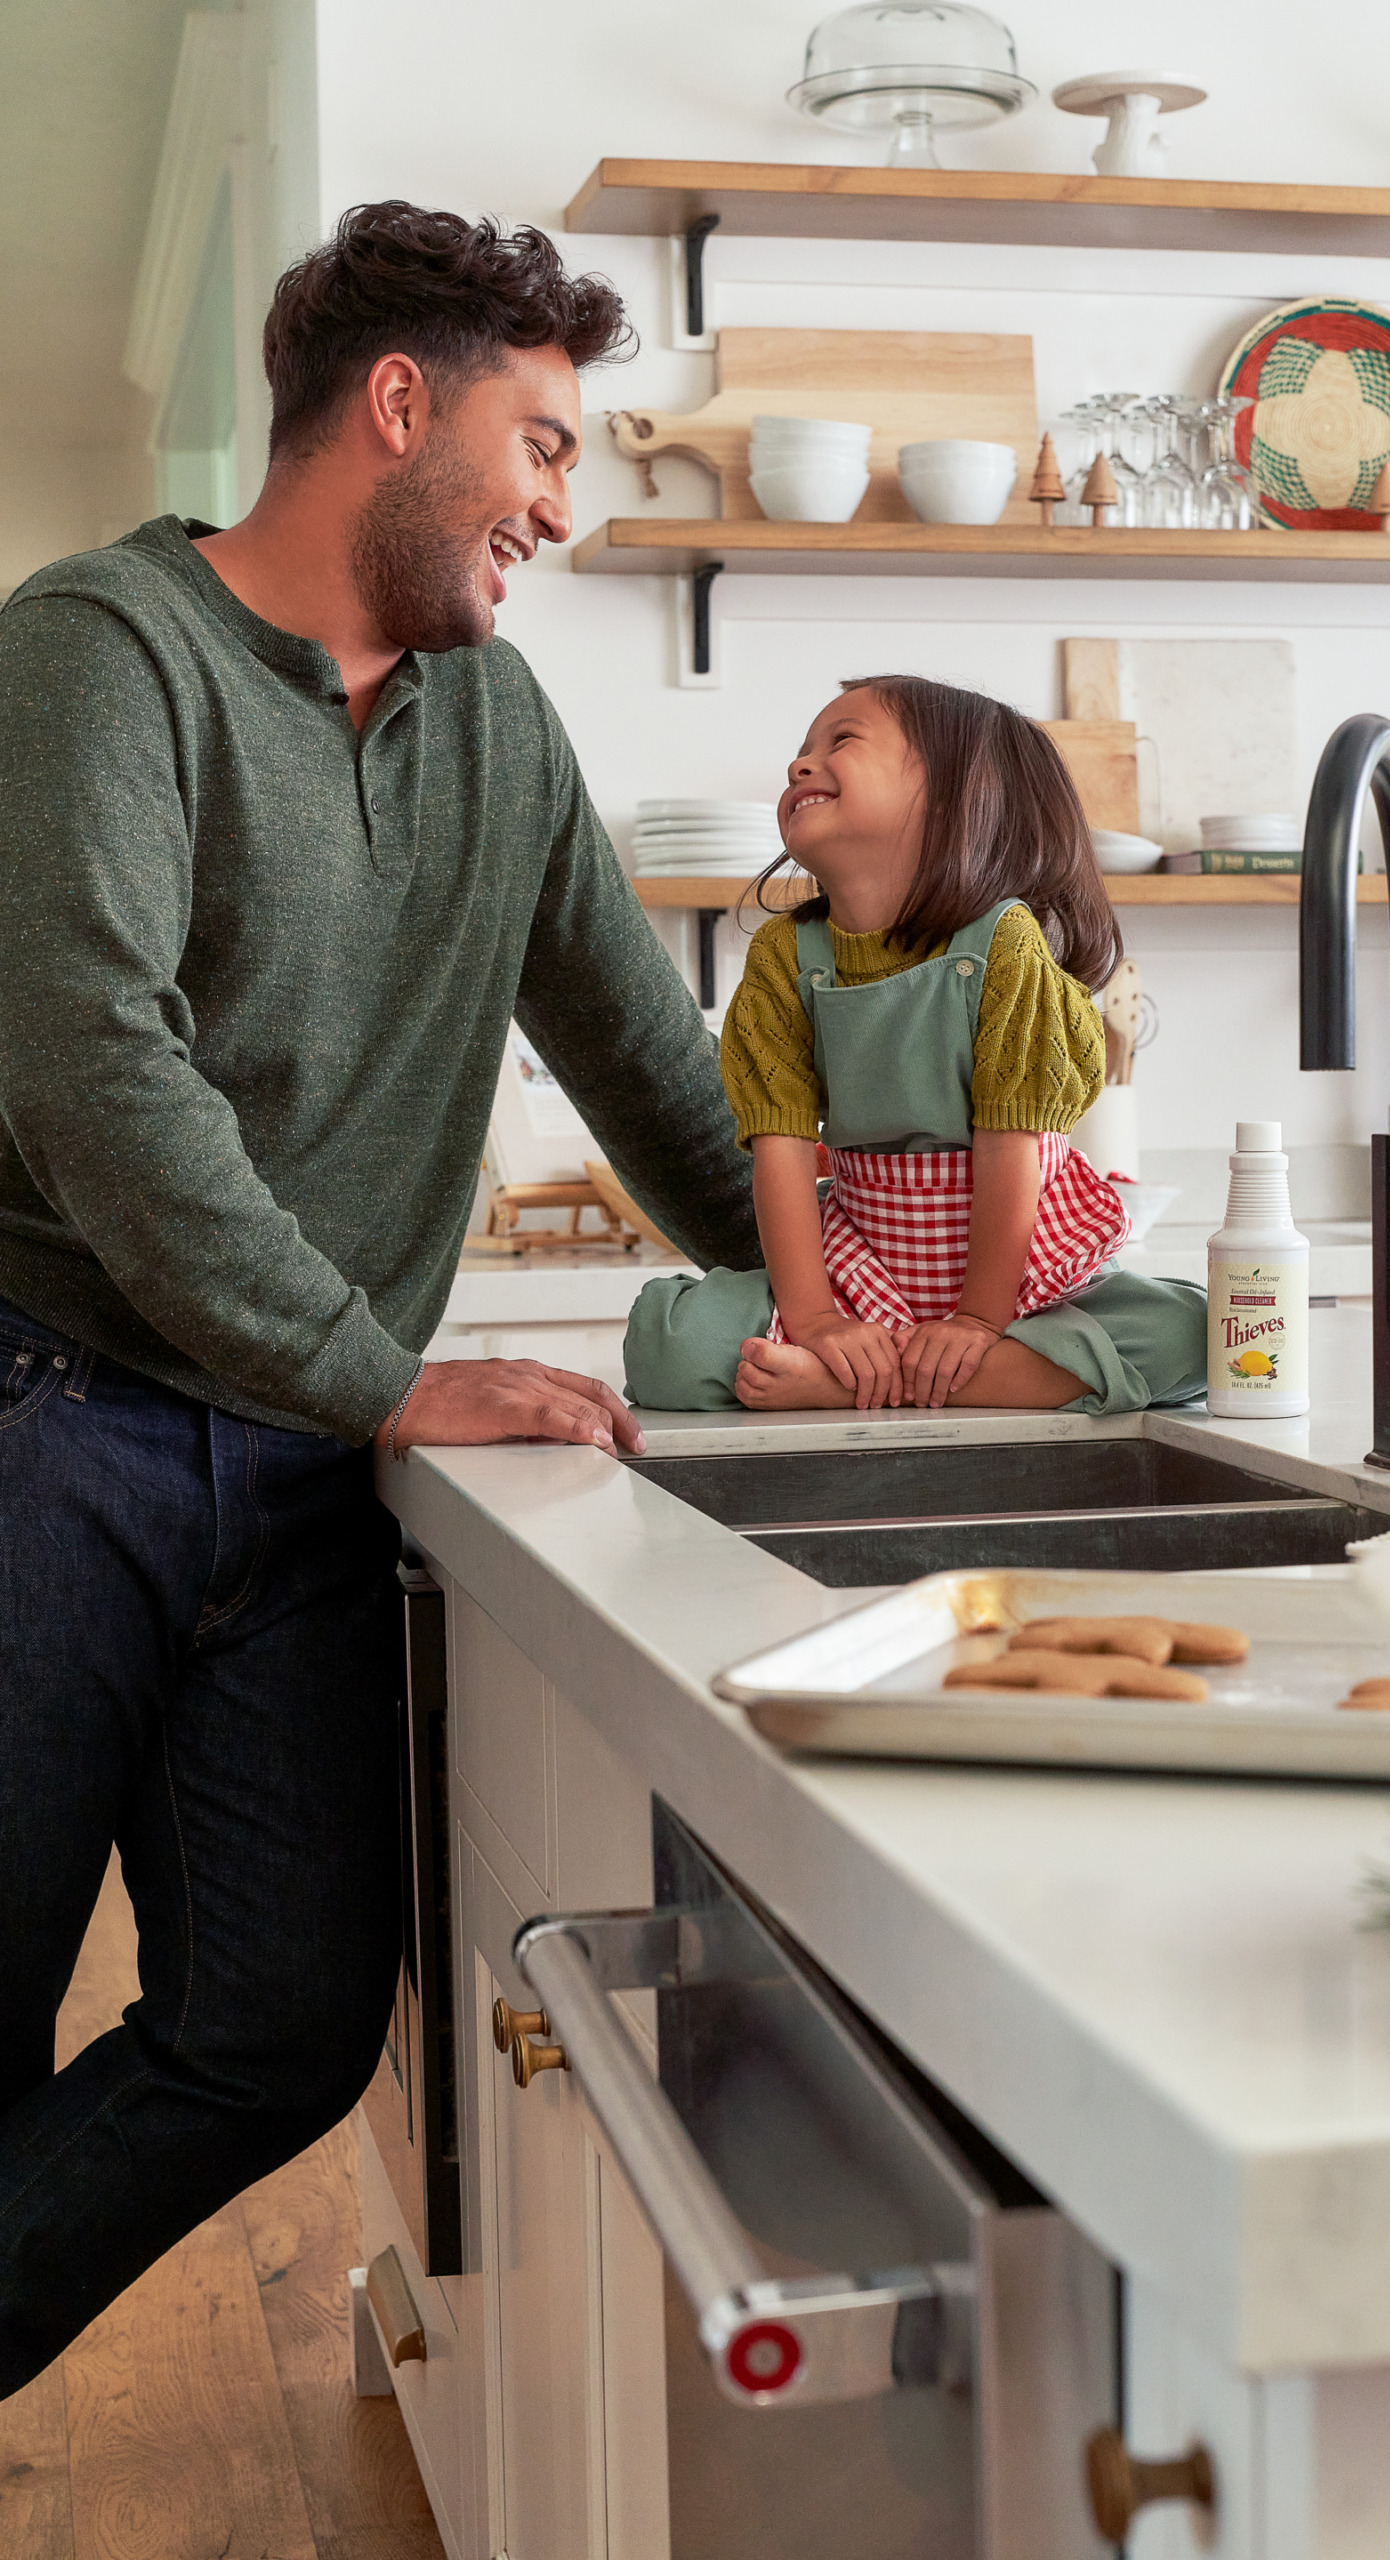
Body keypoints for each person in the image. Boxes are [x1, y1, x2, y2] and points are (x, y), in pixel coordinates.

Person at [0, 202, 761, 2395]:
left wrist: (872, 1296)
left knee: (280, 2018)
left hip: (304, 1472)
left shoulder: (493, 729)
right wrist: (381, 1370)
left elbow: (645, 1061)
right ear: (398, 406)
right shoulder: (97, 649)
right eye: (541, 442)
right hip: (56, 1421)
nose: (562, 504)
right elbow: (91, 1065)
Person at [625, 675, 1207, 1415]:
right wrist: (818, 1321)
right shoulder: (783, 957)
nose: (799, 765)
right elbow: (781, 1154)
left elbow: (1009, 1151)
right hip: (858, 1258)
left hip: (1012, 1274)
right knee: (664, 1341)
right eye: (803, 750)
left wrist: (976, 1321)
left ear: (956, 799)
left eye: (841, 741)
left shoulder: (1007, 948)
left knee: (1198, 1335)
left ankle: (852, 1388)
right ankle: (959, 1381)